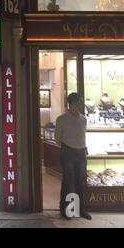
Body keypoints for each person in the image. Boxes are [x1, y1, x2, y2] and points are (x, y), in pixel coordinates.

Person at [55, 92, 92, 220]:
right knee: (68, 182)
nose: (81, 104)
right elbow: (57, 139)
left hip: (81, 152)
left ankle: (81, 209)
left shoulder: (83, 119)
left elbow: (83, 135)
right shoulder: (62, 119)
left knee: (81, 182)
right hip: (68, 152)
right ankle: (65, 209)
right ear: (73, 103)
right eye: (79, 102)